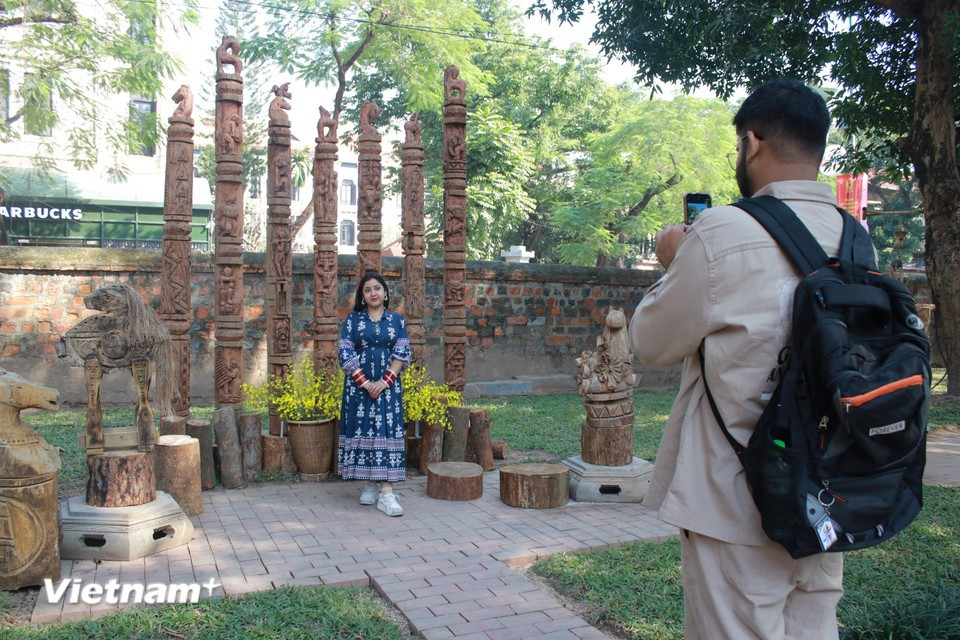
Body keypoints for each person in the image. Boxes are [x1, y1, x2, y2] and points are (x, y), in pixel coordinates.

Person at [629, 78, 851, 639]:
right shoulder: (855, 237)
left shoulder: (724, 230)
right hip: (827, 494)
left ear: (751, 143)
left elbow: (650, 343)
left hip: (734, 501)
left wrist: (675, 262)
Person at [338, 272, 411, 516]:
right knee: (366, 429)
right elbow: (345, 352)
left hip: (388, 389)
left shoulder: (397, 321)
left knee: (385, 432)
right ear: (362, 296)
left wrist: (384, 381)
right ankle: (370, 483)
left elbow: (402, 353)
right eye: (367, 290)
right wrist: (366, 383)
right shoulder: (352, 320)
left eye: (377, 288)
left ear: (385, 292)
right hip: (359, 388)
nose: (373, 293)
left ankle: (387, 494)